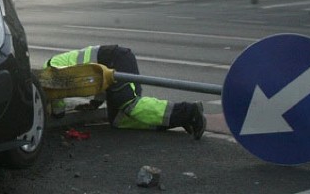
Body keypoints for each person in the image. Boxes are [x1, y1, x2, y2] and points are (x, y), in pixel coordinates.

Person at [46, 45, 206, 140]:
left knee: (130, 104)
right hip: (114, 60)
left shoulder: (50, 72)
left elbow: (58, 106)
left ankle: (190, 111)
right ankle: (178, 118)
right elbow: (92, 77)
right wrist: (95, 103)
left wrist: (52, 113)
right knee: (119, 120)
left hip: (115, 60)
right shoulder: (54, 66)